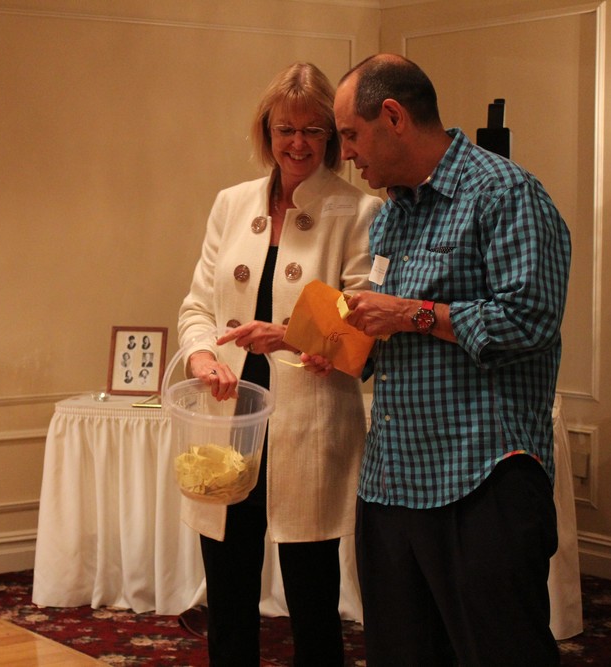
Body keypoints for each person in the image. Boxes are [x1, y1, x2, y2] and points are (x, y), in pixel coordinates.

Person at [325, 54, 571, 666]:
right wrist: (330, 343)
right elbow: (391, 340)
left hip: (480, 478)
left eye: (351, 135)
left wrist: (412, 313)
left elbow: (530, 320)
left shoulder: (505, 194)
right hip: (392, 482)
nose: (346, 154)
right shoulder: (390, 217)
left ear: (393, 116)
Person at [177, 62, 382, 666]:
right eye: (285, 129)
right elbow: (198, 305)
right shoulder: (231, 203)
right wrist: (202, 356)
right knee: (228, 588)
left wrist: (289, 337)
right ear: (265, 131)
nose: (297, 143)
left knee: (312, 596)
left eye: (313, 130)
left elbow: (360, 325)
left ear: (333, 138)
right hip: (229, 422)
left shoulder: (359, 211)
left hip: (310, 426)